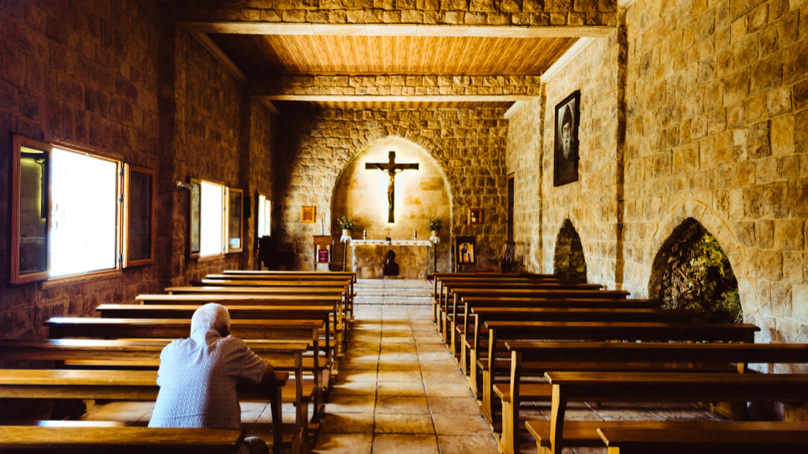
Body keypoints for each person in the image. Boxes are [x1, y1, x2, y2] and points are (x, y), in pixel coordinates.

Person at [149, 303, 275, 454]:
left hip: (157, 447)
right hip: (217, 448)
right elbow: (267, 373)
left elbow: (162, 380)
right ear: (226, 331)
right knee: (258, 445)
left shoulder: (170, 350)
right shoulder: (230, 346)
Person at [555, 104, 578, 185]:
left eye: (568, 129)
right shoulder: (558, 152)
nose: (567, 133)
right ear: (561, 131)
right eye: (565, 129)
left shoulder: (575, 148)